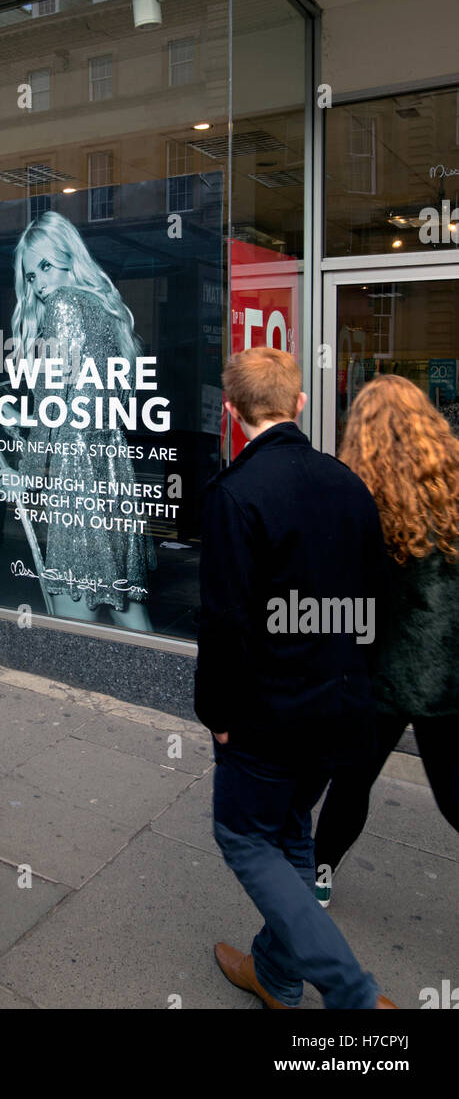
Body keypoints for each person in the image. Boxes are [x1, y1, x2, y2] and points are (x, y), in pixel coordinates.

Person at [195, 346, 396, 1010]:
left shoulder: (235, 494)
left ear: (229, 412)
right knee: (288, 833)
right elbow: (374, 601)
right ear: (300, 403)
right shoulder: (347, 484)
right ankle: (274, 976)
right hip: (338, 706)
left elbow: (226, 622)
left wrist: (215, 712)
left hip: (266, 714)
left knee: (243, 836)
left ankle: (353, 995)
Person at [313, 374, 459, 903]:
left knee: (352, 781)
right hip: (446, 675)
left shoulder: (359, 498)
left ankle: (320, 873)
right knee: (453, 793)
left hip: (379, 677)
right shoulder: (454, 486)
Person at [0, 210, 154, 632]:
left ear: (70, 258)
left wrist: (24, 476)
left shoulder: (65, 304)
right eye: (31, 276)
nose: (40, 284)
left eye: (46, 266)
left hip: (78, 476)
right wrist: (27, 416)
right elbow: (77, 403)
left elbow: (57, 410)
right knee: (127, 609)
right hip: (111, 469)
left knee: (73, 628)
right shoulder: (105, 307)